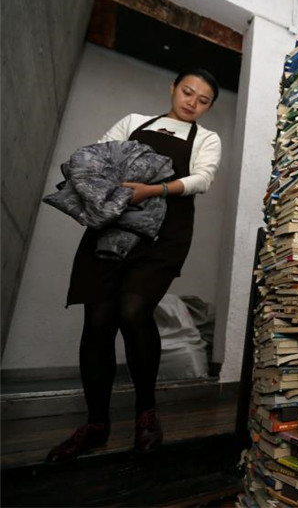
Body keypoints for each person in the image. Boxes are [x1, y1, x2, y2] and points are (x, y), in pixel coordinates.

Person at [46, 69, 223, 463]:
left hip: (165, 236)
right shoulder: (134, 122)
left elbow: (202, 180)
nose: (192, 103)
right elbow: (95, 158)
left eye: (203, 100)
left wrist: (154, 189)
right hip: (111, 227)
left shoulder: (206, 138)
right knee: (98, 321)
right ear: (173, 88)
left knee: (132, 310)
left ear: (209, 106)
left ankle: (146, 413)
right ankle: (96, 425)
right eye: (187, 92)